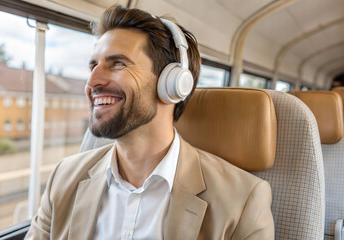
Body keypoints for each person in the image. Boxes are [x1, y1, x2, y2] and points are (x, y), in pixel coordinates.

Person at [25, 5, 274, 240]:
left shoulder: (242, 202)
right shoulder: (64, 178)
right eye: (93, 65)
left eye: (118, 63)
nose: (92, 82)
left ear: (172, 84)